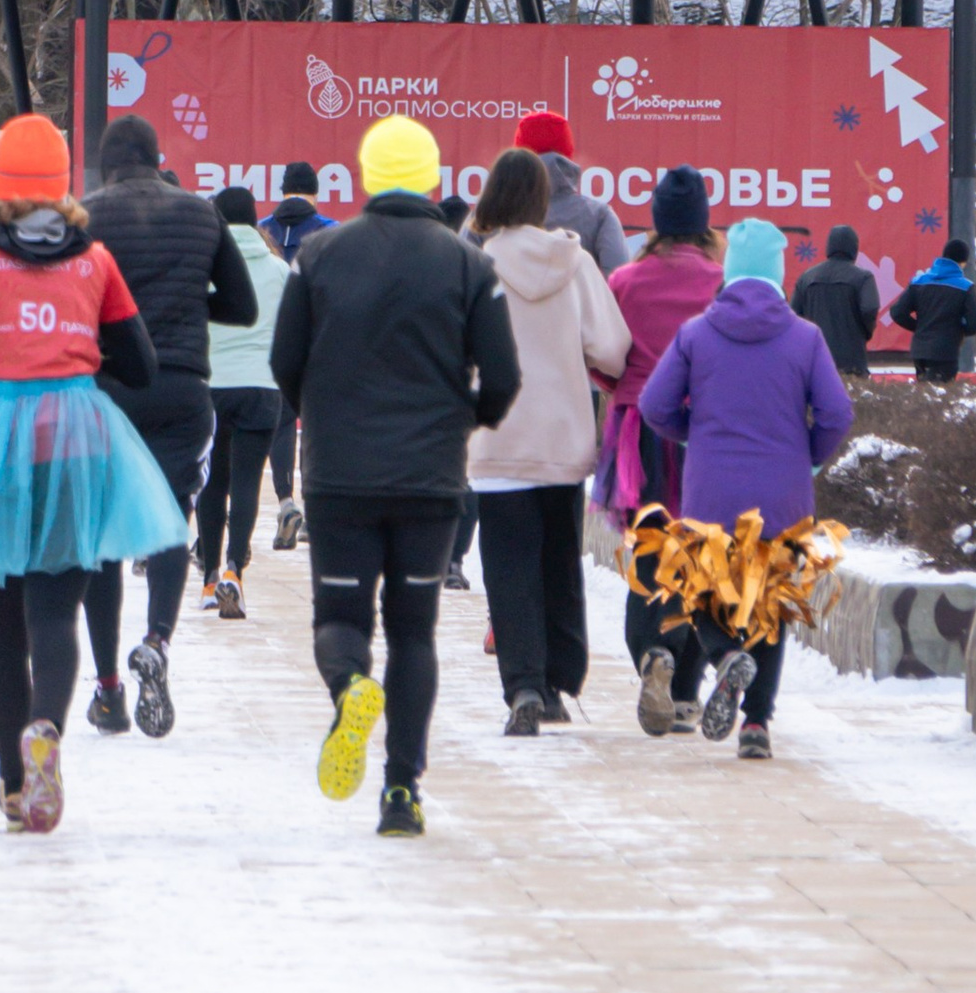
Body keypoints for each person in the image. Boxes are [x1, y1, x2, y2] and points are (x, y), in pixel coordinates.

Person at [0, 111, 182, 831]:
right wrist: (81, 356)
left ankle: (13, 782)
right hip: (75, 438)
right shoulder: (94, 261)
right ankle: (46, 733)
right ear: (63, 184)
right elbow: (142, 365)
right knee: (57, 612)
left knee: (2, 626)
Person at [268, 114, 519, 837]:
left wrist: (321, 410)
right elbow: (502, 378)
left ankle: (350, 688)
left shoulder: (317, 255)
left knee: (341, 619)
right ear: (433, 177)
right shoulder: (470, 265)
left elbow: (286, 363)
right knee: (415, 633)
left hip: (340, 474)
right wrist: (461, 419)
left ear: (367, 176)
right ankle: (402, 792)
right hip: (429, 479)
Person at [637, 216, 854, 755]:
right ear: (779, 276)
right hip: (783, 497)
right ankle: (756, 725)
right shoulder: (805, 338)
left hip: (710, 491)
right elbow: (836, 412)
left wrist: (694, 436)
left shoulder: (697, 333)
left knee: (706, 593)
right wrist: (809, 459)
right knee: (769, 604)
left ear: (729, 272)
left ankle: (725, 659)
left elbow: (654, 406)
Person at [81, 115, 258, 739]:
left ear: (106, 164)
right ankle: (157, 638)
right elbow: (243, 306)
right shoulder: (202, 213)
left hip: (105, 389)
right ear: (158, 158)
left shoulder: (87, 216)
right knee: (168, 519)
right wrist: (184, 302)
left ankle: (108, 688)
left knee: (101, 534)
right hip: (182, 385)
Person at [466, 146, 630, 735]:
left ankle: (523, 688)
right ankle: (559, 684)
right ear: (541, 198)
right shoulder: (576, 262)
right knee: (559, 562)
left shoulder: (475, 264)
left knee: (508, 567)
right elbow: (611, 348)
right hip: (564, 440)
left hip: (496, 439)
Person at [601, 166, 723, 733]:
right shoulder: (720, 283)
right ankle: (686, 691)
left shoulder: (625, 281)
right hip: (704, 433)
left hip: (638, 431)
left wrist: (620, 393)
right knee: (699, 553)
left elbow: (603, 354)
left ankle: (653, 654)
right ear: (701, 222)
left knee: (649, 551)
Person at [195, 185, 286, 613]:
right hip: (261, 388)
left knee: (213, 481)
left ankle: (209, 578)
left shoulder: (205, 267)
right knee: (248, 480)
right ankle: (235, 568)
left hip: (211, 385)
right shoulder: (279, 271)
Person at [261, 162, 326, 551]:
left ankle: (286, 502)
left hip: (272, 341)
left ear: (283, 189)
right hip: (317, 342)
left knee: (283, 424)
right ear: (314, 192)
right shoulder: (331, 231)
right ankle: (313, 515)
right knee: (315, 424)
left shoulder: (261, 229)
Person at [514, 111, 629, 273]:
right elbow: (619, 283)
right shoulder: (598, 216)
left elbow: (466, 280)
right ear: (567, 156)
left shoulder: (486, 218)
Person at [889, 236, 976, 383]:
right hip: (946, 352)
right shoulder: (965, 287)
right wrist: (958, 331)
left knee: (924, 395)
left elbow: (897, 312)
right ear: (963, 262)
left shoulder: (919, 281)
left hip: (919, 350)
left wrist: (919, 327)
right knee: (941, 396)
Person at [791, 221, 878, 382]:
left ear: (829, 246)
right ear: (854, 248)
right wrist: (864, 333)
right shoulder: (863, 277)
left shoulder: (807, 277)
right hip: (852, 358)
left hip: (814, 355)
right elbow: (869, 309)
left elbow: (793, 314)